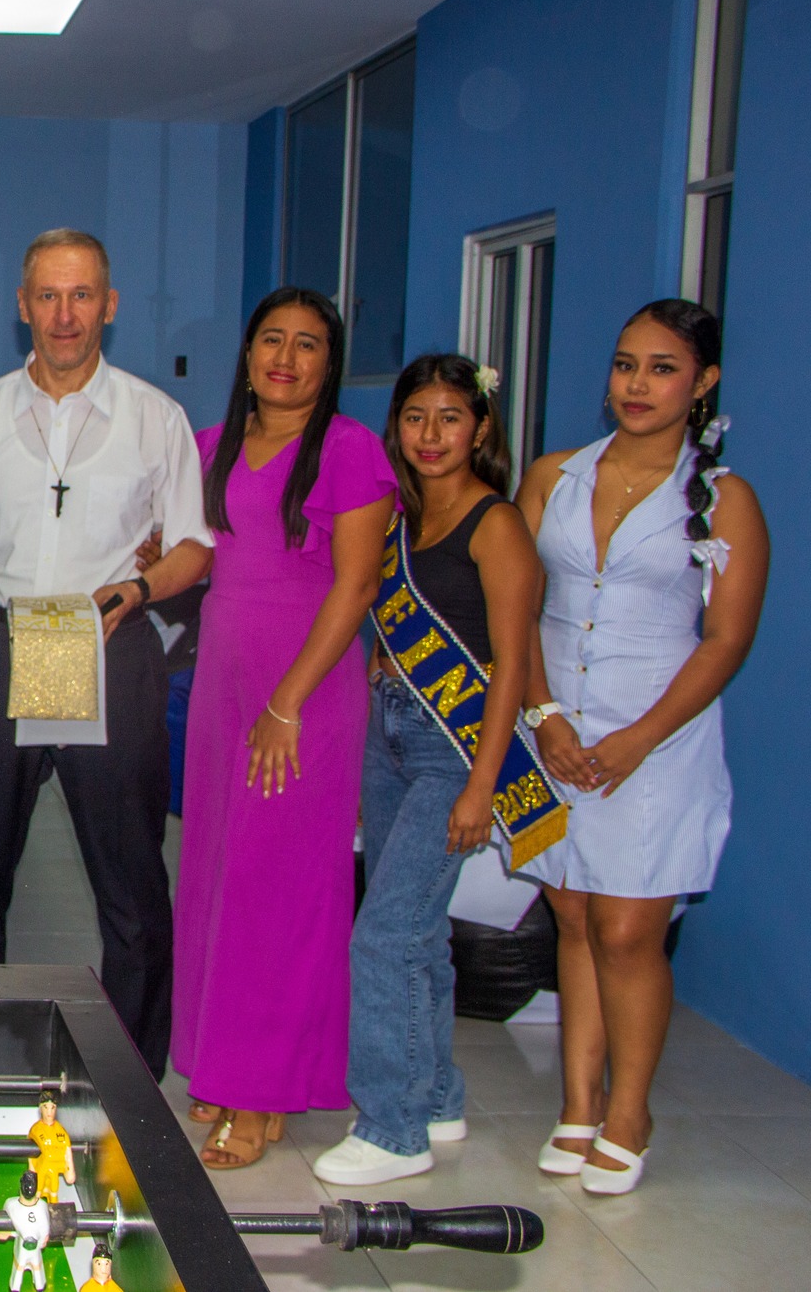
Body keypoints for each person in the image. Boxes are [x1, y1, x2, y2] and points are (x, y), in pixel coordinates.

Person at [0, 229, 212, 1069]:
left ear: (109, 305)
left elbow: (193, 546)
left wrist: (140, 587)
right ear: (22, 306)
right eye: (48, 295)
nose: (64, 314)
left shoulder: (155, 418)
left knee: (132, 884)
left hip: (105, 648)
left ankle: (131, 1073)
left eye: (81, 295)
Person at [515, 300, 766, 1195]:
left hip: (656, 739)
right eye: (626, 364)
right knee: (573, 916)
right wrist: (543, 711)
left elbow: (725, 641)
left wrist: (638, 738)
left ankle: (630, 1112)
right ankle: (578, 1105)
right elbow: (517, 604)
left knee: (626, 930)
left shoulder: (725, 499)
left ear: (703, 383)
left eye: (662, 368)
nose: (637, 384)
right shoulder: (554, 476)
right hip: (553, 728)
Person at [168, 288, 397, 1169]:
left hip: (302, 696)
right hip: (222, 688)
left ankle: (262, 1092)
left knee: (279, 890)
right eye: (273, 339)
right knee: (217, 875)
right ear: (248, 351)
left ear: (329, 364)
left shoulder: (349, 449)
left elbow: (357, 585)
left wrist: (287, 701)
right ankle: (223, 1064)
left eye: (308, 344)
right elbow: (201, 555)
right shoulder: (210, 445)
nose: (286, 359)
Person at [310, 355, 542, 1186]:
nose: (431, 434)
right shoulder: (400, 518)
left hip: (457, 748)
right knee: (421, 930)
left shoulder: (497, 523)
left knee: (388, 931)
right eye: (415, 417)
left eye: (450, 417)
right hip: (390, 736)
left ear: (480, 428)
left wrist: (482, 784)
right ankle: (437, 1094)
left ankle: (394, 1126)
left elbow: (512, 664)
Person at [0, 1170, 51, 1291]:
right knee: (20, 1266)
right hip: (25, 1245)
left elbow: (45, 1232)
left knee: (34, 1267)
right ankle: (18, 1287)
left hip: (32, 1246)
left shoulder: (11, 1204)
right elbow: (44, 1233)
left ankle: (37, 1285)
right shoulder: (13, 1205)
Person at [29, 1092, 75, 1200]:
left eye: (52, 1108)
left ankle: (53, 1204)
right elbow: (31, 1157)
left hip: (54, 1169)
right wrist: (32, 1171)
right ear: (41, 1109)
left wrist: (70, 1170)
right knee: (38, 1190)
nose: (49, 1112)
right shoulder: (36, 1130)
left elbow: (67, 1151)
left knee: (54, 1189)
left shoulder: (60, 1131)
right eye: (46, 1107)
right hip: (41, 1169)